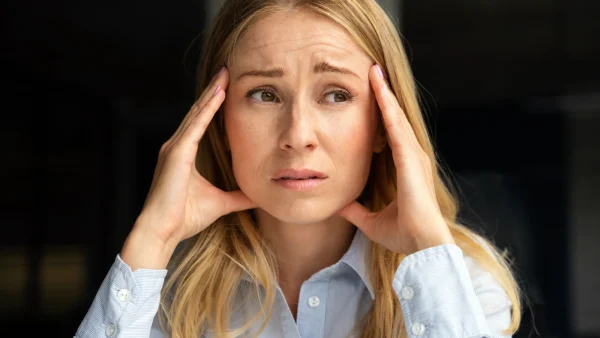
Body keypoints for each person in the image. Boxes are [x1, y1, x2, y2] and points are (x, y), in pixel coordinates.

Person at [75, 0, 523, 337]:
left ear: (387, 124)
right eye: (265, 94)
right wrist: (153, 236)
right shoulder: (167, 295)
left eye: (336, 95)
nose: (298, 134)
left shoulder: (464, 286)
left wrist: (427, 247)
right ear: (218, 120)